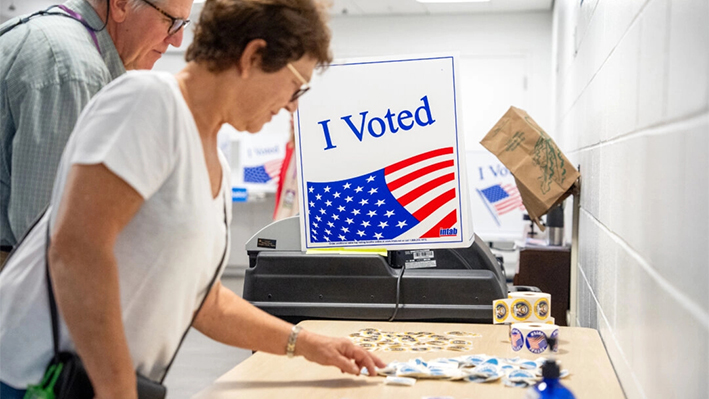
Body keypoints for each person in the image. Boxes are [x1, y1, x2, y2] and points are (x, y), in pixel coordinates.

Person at [0, 0, 385, 397]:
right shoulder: (149, 101)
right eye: (295, 84)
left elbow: (205, 302)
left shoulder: (214, 161)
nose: (292, 105)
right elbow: (78, 248)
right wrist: (117, 391)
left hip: (91, 382)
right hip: (31, 378)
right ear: (254, 56)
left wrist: (307, 344)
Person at [0, 0, 192, 267]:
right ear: (121, 4)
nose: (177, 40)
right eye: (170, 21)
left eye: (183, 24)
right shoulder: (73, 69)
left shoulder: (56, 39)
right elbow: (51, 242)